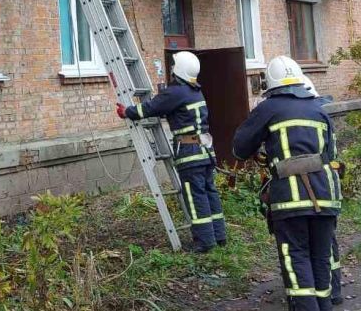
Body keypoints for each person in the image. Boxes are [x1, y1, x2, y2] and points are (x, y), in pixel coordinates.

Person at [234, 57, 341, 311]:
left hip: (290, 200)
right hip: (326, 195)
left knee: (296, 257)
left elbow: (239, 149)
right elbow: (332, 152)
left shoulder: (268, 108)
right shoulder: (318, 109)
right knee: (321, 257)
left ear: (270, 83)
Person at [117, 51, 226, 253]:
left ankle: (204, 241)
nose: (172, 69)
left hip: (189, 151)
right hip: (204, 150)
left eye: (174, 66)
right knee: (210, 192)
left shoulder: (175, 92)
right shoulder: (195, 91)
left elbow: (149, 109)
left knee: (195, 196)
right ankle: (219, 236)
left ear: (179, 70)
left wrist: (128, 112)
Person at [300, 76, 345, 307]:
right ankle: (333, 291)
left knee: (316, 246)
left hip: (313, 187)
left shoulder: (306, 116)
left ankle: (319, 293)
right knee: (328, 244)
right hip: (328, 187)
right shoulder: (323, 114)